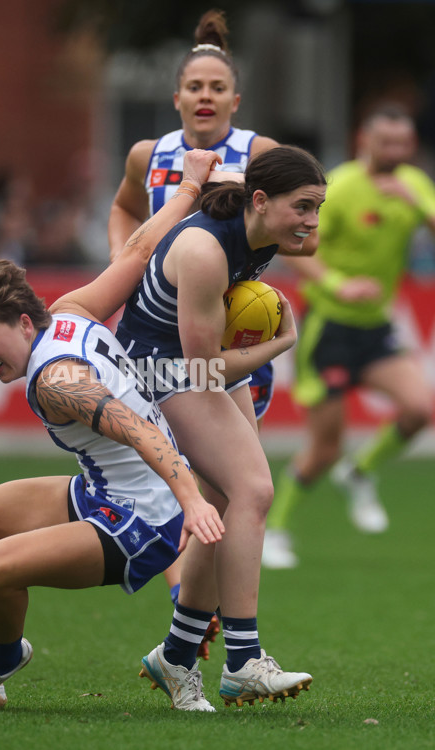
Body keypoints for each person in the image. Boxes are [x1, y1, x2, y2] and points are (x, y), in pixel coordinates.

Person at [0, 151, 226, 710]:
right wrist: (189, 187)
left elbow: (138, 433)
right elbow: (137, 249)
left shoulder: (55, 381)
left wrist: (191, 505)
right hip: (106, 492)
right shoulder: (72, 310)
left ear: (23, 323)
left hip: (137, 524)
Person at [107, 7, 318, 655]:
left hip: (227, 344)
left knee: (231, 494)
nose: (204, 96)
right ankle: (207, 637)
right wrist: (126, 263)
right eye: (193, 87)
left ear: (235, 99)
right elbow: (123, 209)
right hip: (173, 347)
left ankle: (186, 636)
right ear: (176, 97)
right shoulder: (151, 154)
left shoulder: (259, 157)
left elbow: (301, 229)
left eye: (216, 87)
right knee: (230, 492)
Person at [112, 144, 326, 711]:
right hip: (160, 368)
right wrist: (280, 343)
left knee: (228, 498)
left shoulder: (261, 224)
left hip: (199, 360)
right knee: (254, 491)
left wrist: (294, 214)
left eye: (319, 208)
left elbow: (297, 226)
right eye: (304, 207)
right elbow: (202, 369)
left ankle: (177, 657)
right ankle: (243, 660)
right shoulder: (205, 248)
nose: (312, 222)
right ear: (259, 201)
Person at [262, 104, 435, 570]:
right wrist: (339, 283)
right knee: (325, 447)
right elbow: (290, 244)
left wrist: (417, 205)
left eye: (404, 143)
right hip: (330, 325)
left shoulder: (415, 186)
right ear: (366, 140)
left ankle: (360, 473)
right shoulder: (339, 189)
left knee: (420, 409)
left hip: (376, 328)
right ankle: (273, 529)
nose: (396, 151)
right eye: (387, 142)